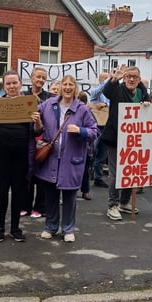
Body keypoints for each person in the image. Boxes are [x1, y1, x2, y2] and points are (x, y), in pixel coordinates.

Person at [33, 76, 98, 242]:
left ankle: (68, 229)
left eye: (71, 85)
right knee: (51, 196)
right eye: (65, 84)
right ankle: (51, 226)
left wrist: (80, 130)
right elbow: (32, 114)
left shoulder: (82, 109)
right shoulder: (48, 104)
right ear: (60, 87)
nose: (68, 87)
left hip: (71, 159)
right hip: (51, 159)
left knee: (69, 197)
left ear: (75, 88)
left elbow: (94, 132)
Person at [0, 71, 40, 243]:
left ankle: (15, 228)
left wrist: (37, 121)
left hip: (22, 155)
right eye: (8, 84)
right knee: (2, 192)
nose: (12, 86)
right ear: (3, 86)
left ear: (21, 84)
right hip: (1, 154)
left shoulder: (29, 104)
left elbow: (38, 131)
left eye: (15, 83)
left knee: (19, 193)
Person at [101, 65, 149, 221]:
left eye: (134, 76)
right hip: (115, 138)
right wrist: (114, 78)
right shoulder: (118, 89)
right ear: (124, 77)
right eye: (128, 76)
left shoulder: (142, 92)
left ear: (139, 79)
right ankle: (112, 205)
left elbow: (146, 107)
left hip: (133, 140)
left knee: (131, 170)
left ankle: (124, 202)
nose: (131, 79)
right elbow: (106, 92)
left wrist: (146, 104)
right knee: (115, 174)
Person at [22, 67, 53, 219]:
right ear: (31, 77)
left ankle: (40, 207)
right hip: (25, 139)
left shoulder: (50, 97)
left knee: (41, 176)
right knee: (26, 174)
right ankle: (25, 206)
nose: (40, 80)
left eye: (43, 77)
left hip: (43, 140)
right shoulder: (23, 95)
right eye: (37, 77)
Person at [89, 72, 111, 188]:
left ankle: (98, 178)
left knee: (102, 154)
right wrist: (110, 79)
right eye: (105, 79)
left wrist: (105, 104)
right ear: (100, 81)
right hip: (96, 126)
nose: (108, 81)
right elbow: (99, 90)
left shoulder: (111, 95)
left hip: (107, 126)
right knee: (90, 151)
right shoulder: (94, 94)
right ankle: (86, 176)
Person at [77, 90, 95, 201]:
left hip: (85, 147)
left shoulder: (87, 112)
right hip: (87, 148)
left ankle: (85, 191)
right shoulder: (88, 111)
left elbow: (93, 130)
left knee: (84, 170)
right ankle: (85, 191)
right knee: (85, 170)